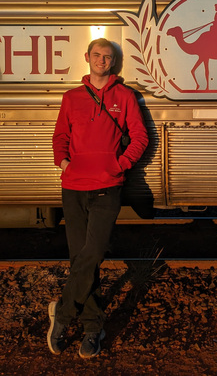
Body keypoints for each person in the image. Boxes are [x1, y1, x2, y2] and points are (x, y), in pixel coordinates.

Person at [48, 38, 149, 359]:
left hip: (108, 187)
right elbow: (60, 135)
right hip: (73, 187)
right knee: (80, 258)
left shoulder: (125, 96)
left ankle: (62, 315)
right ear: (87, 57)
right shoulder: (72, 97)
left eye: (108, 56)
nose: (102, 60)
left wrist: (120, 165)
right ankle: (93, 327)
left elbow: (140, 136)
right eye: (97, 55)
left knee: (93, 253)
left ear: (114, 62)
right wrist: (64, 162)